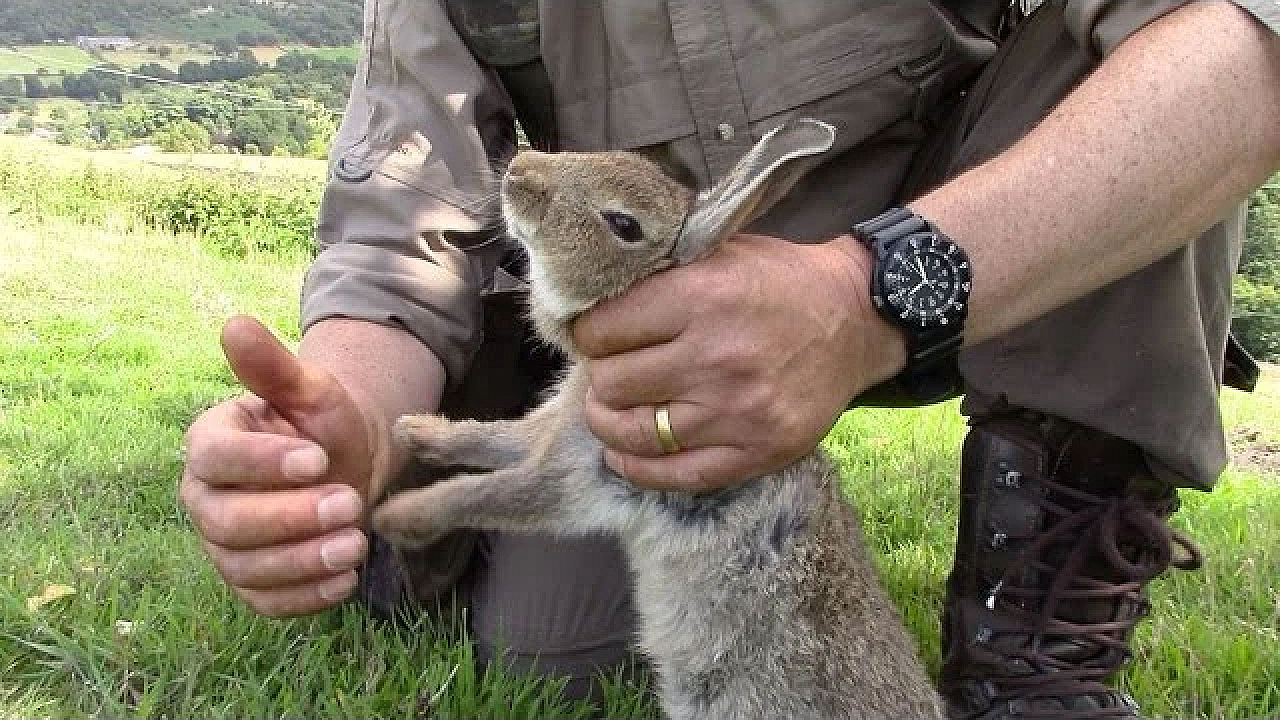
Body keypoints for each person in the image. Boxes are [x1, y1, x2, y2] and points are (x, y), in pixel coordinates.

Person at [179, 1, 1280, 717]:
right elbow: (395, 230)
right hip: (645, 333)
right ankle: (412, 546)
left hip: (960, 250)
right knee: (547, 654)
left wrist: (863, 295)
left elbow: (1245, 44)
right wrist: (356, 422)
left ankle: (1032, 644)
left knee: (1157, 63)